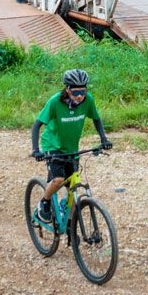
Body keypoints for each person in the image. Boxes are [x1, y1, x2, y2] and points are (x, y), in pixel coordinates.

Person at [30, 69, 112, 222]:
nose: (80, 96)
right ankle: (44, 202)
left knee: (73, 189)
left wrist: (104, 139)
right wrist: (36, 150)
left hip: (71, 147)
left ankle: (70, 226)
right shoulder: (55, 102)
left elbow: (96, 118)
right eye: (75, 92)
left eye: (83, 91)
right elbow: (37, 125)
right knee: (58, 180)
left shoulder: (88, 100)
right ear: (67, 89)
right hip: (52, 145)